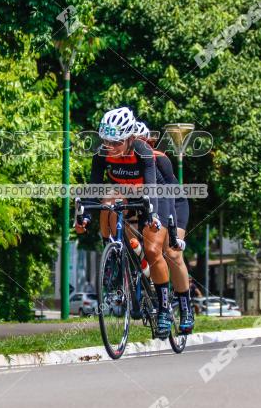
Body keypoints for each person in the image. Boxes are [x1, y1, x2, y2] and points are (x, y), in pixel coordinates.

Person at [75, 107, 176, 337]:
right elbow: (94, 187)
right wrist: (86, 216)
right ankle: (112, 255)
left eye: (116, 143)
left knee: (152, 249)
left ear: (130, 138)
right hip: (125, 192)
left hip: (154, 193)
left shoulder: (143, 152)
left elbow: (151, 187)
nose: (110, 147)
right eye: (106, 141)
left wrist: (152, 217)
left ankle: (163, 308)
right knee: (108, 199)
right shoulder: (102, 153)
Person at [134, 121, 194, 334]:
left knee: (172, 253)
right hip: (146, 205)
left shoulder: (158, 159)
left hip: (172, 204)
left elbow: (170, 194)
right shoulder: (123, 163)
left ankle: (186, 308)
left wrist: (170, 231)